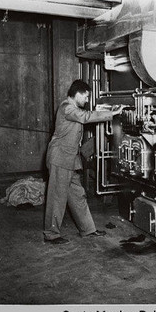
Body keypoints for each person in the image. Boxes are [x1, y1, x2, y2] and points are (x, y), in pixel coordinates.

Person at [43, 80, 124, 244]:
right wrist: (113, 113)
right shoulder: (67, 107)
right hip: (60, 159)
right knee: (57, 197)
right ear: (78, 94)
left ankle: (88, 229)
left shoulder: (72, 109)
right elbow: (86, 117)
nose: (87, 100)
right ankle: (51, 234)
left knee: (77, 195)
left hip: (70, 160)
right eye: (86, 97)